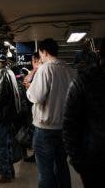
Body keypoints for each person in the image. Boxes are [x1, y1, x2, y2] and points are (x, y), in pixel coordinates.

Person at [26, 38, 73, 188]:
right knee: (62, 166)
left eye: (40, 53)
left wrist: (29, 89)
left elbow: (36, 97)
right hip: (64, 128)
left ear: (44, 52)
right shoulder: (68, 69)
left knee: (45, 171)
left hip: (45, 129)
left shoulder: (46, 69)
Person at [62, 39, 105, 188]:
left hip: (94, 160)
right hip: (94, 162)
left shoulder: (81, 83)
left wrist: (78, 162)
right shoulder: (82, 82)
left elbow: (69, 126)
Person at [0, 49, 21, 183]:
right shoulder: (10, 72)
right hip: (8, 116)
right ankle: (8, 171)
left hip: (1, 116)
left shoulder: (1, 73)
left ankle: (4, 173)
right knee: (7, 145)